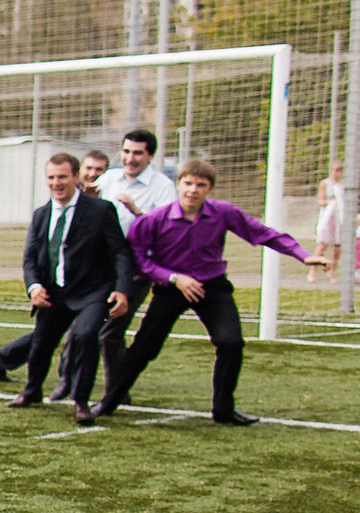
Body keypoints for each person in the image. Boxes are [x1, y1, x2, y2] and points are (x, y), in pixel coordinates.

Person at [94, 160, 313, 427]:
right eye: (188, 183)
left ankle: (223, 409)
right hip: (171, 289)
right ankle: (108, 402)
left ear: (210, 189)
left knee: (230, 342)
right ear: (178, 184)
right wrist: (174, 278)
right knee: (144, 348)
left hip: (212, 287)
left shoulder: (224, 212)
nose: (193, 190)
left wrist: (303, 256)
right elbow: (140, 260)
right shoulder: (154, 220)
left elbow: (263, 233)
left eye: (201, 185)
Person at [6, 153, 132, 425]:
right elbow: (30, 257)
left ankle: (81, 402)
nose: (56, 183)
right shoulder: (41, 214)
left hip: (92, 292)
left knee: (86, 336)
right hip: (54, 292)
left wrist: (121, 289)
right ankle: (32, 392)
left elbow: (120, 251)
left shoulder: (100, 210)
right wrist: (34, 286)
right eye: (51, 177)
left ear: (76, 177)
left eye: (62, 176)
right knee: (41, 344)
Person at [310, 162, 346, 280]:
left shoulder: (343, 185)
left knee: (337, 246)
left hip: (339, 217)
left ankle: (332, 272)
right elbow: (320, 201)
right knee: (322, 244)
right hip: (327, 216)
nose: (336, 173)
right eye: (334, 170)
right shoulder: (325, 183)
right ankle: (312, 271)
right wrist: (331, 203)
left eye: (339, 170)